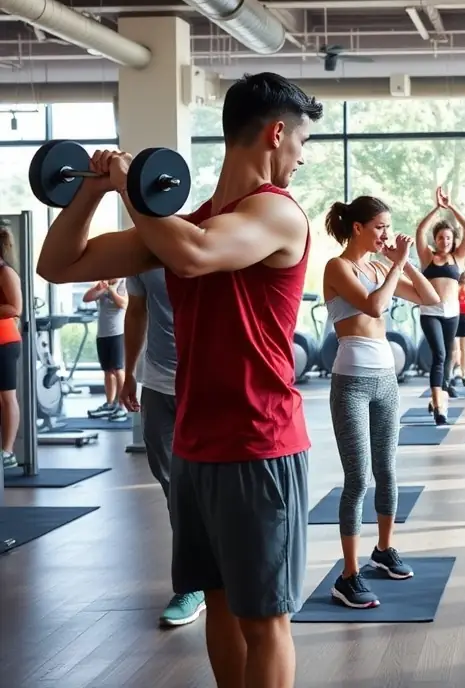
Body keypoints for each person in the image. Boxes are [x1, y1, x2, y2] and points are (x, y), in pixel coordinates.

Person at [37, 71, 323, 688]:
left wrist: (131, 191)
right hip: (197, 443)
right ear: (276, 133)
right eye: (300, 144)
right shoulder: (184, 221)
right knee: (217, 602)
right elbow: (58, 264)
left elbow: (194, 254)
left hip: (258, 442)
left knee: (264, 619)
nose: (300, 159)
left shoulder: (277, 214)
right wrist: (94, 186)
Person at [322, 196, 440, 609]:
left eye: (389, 228)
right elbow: (374, 305)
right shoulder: (339, 267)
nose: (386, 235)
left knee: (388, 471)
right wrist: (395, 263)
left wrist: (403, 262)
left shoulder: (377, 266)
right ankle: (348, 576)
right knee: (358, 479)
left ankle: (383, 550)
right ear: (358, 228)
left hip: (386, 380)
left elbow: (430, 299)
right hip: (351, 381)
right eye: (380, 228)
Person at [120, 268, 206, 628]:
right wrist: (129, 373)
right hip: (158, 381)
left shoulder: (203, 242)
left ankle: (213, 575)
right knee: (174, 485)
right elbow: (137, 310)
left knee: (216, 483)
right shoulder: (142, 254)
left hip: (209, 380)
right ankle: (194, 583)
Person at [415, 187, 465, 424]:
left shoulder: (458, 258)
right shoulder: (427, 257)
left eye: (448, 238)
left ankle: (438, 395)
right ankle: (439, 406)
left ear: (453, 240)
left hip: (453, 313)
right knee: (439, 354)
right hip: (431, 312)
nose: (445, 241)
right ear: (435, 240)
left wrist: (451, 209)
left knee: (449, 356)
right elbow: (420, 230)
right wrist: (437, 208)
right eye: (440, 237)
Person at [83, 277, 128, 422]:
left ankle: (122, 406)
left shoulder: (123, 283)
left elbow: (124, 303)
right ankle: (110, 404)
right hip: (103, 333)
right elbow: (86, 298)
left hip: (118, 333)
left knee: (118, 370)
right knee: (107, 371)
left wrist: (111, 291)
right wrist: (98, 288)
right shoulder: (104, 285)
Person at [0, 226, 21, 470]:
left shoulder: (6, 273)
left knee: (6, 397)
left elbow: (16, 308)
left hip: (5, 341)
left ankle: (8, 451)